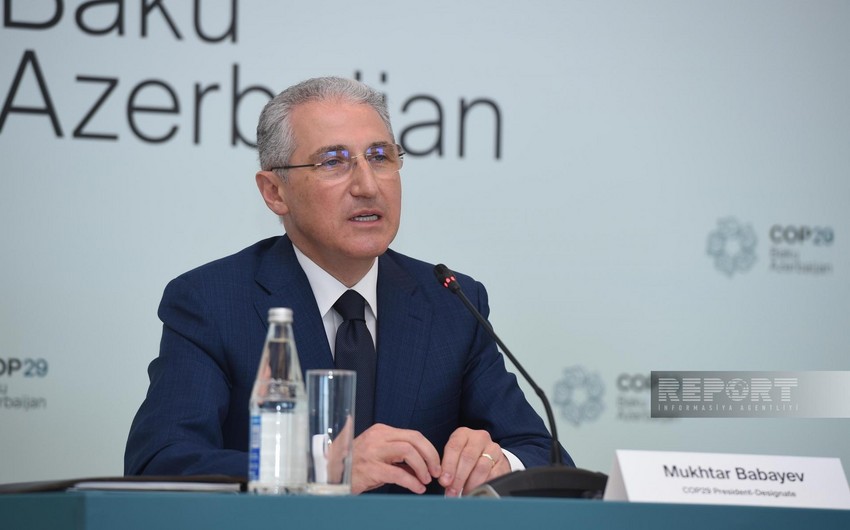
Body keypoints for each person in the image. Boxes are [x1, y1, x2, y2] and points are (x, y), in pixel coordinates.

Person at [124, 76, 573, 495]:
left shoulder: (451, 301)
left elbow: (544, 454)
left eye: (380, 157)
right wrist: (321, 469)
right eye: (333, 162)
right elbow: (160, 462)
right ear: (274, 192)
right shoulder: (211, 302)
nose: (367, 185)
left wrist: (497, 462)